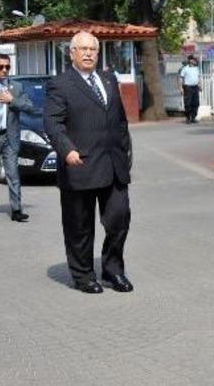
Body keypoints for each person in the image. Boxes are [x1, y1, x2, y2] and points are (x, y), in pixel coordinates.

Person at [44, 31, 133, 294]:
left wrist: (126, 154)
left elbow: (120, 121)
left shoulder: (108, 78)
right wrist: (66, 150)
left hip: (113, 166)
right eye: (82, 48)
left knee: (119, 220)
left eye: (92, 49)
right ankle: (83, 276)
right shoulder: (60, 84)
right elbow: (52, 123)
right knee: (79, 228)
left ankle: (113, 270)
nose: (88, 53)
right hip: (79, 166)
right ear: (71, 53)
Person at [0, 54, 33, 222]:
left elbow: (29, 106)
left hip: (9, 136)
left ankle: (16, 210)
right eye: (1, 67)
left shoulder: (15, 87)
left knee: (13, 174)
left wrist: (12, 100)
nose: (5, 70)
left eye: (7, 67)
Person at [179, 54, 201, 124]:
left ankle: (193, 117)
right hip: (188, 87)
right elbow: (181, 79)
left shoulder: (196, 68)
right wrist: (181, 88)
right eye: (194, 60)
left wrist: (200, 85)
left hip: (195, 87)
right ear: (190, 60)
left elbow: (198, 78)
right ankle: (188, 118)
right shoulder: (185, 69)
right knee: (188, 103)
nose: (195, 61)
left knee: (196, 103)